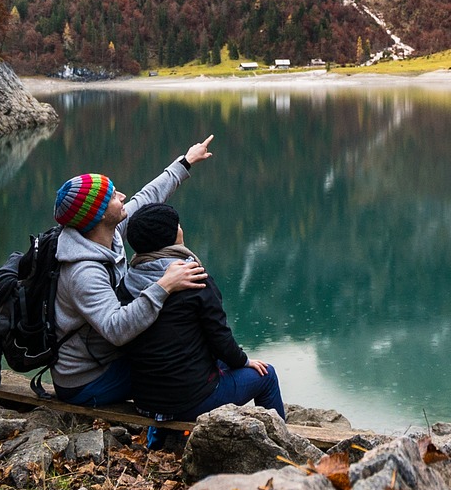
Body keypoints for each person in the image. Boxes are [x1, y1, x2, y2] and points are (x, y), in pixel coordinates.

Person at [48, 135, 215, 407]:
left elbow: (147, 197)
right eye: (114, 196)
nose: (123, 196)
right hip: (87, 379)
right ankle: (168, 430)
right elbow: (116, 329)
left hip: (105, 357)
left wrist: (185, 162)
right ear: (100, 214)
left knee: (184, 354)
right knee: (184, 368)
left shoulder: (106, 233)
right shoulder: (83, 272)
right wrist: (164, 285)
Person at [120, 202, 284, 425]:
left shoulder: (128, 280)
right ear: (171, 236)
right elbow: (220, 338)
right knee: (266, 375)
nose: (181, 228)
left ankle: (159, 436)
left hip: (145, 401)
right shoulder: (194, 279)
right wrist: (245, 361)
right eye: (177, 225)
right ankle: (281, 447)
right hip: (190, 402)